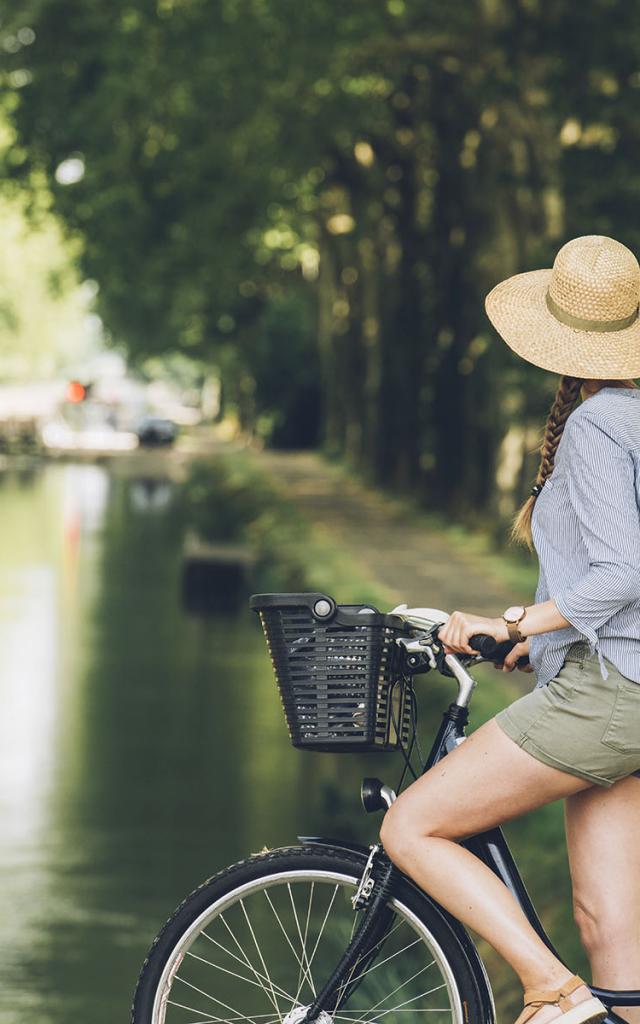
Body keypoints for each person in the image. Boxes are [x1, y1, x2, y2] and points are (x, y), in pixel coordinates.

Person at [379, 235, 640, 1024]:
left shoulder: (598, 426)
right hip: (624, 688)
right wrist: (543, 639)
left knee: (411, 824)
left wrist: (512, 618)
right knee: (611, 927)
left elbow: (622, 573)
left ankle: (551, 991)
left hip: (612, 696)